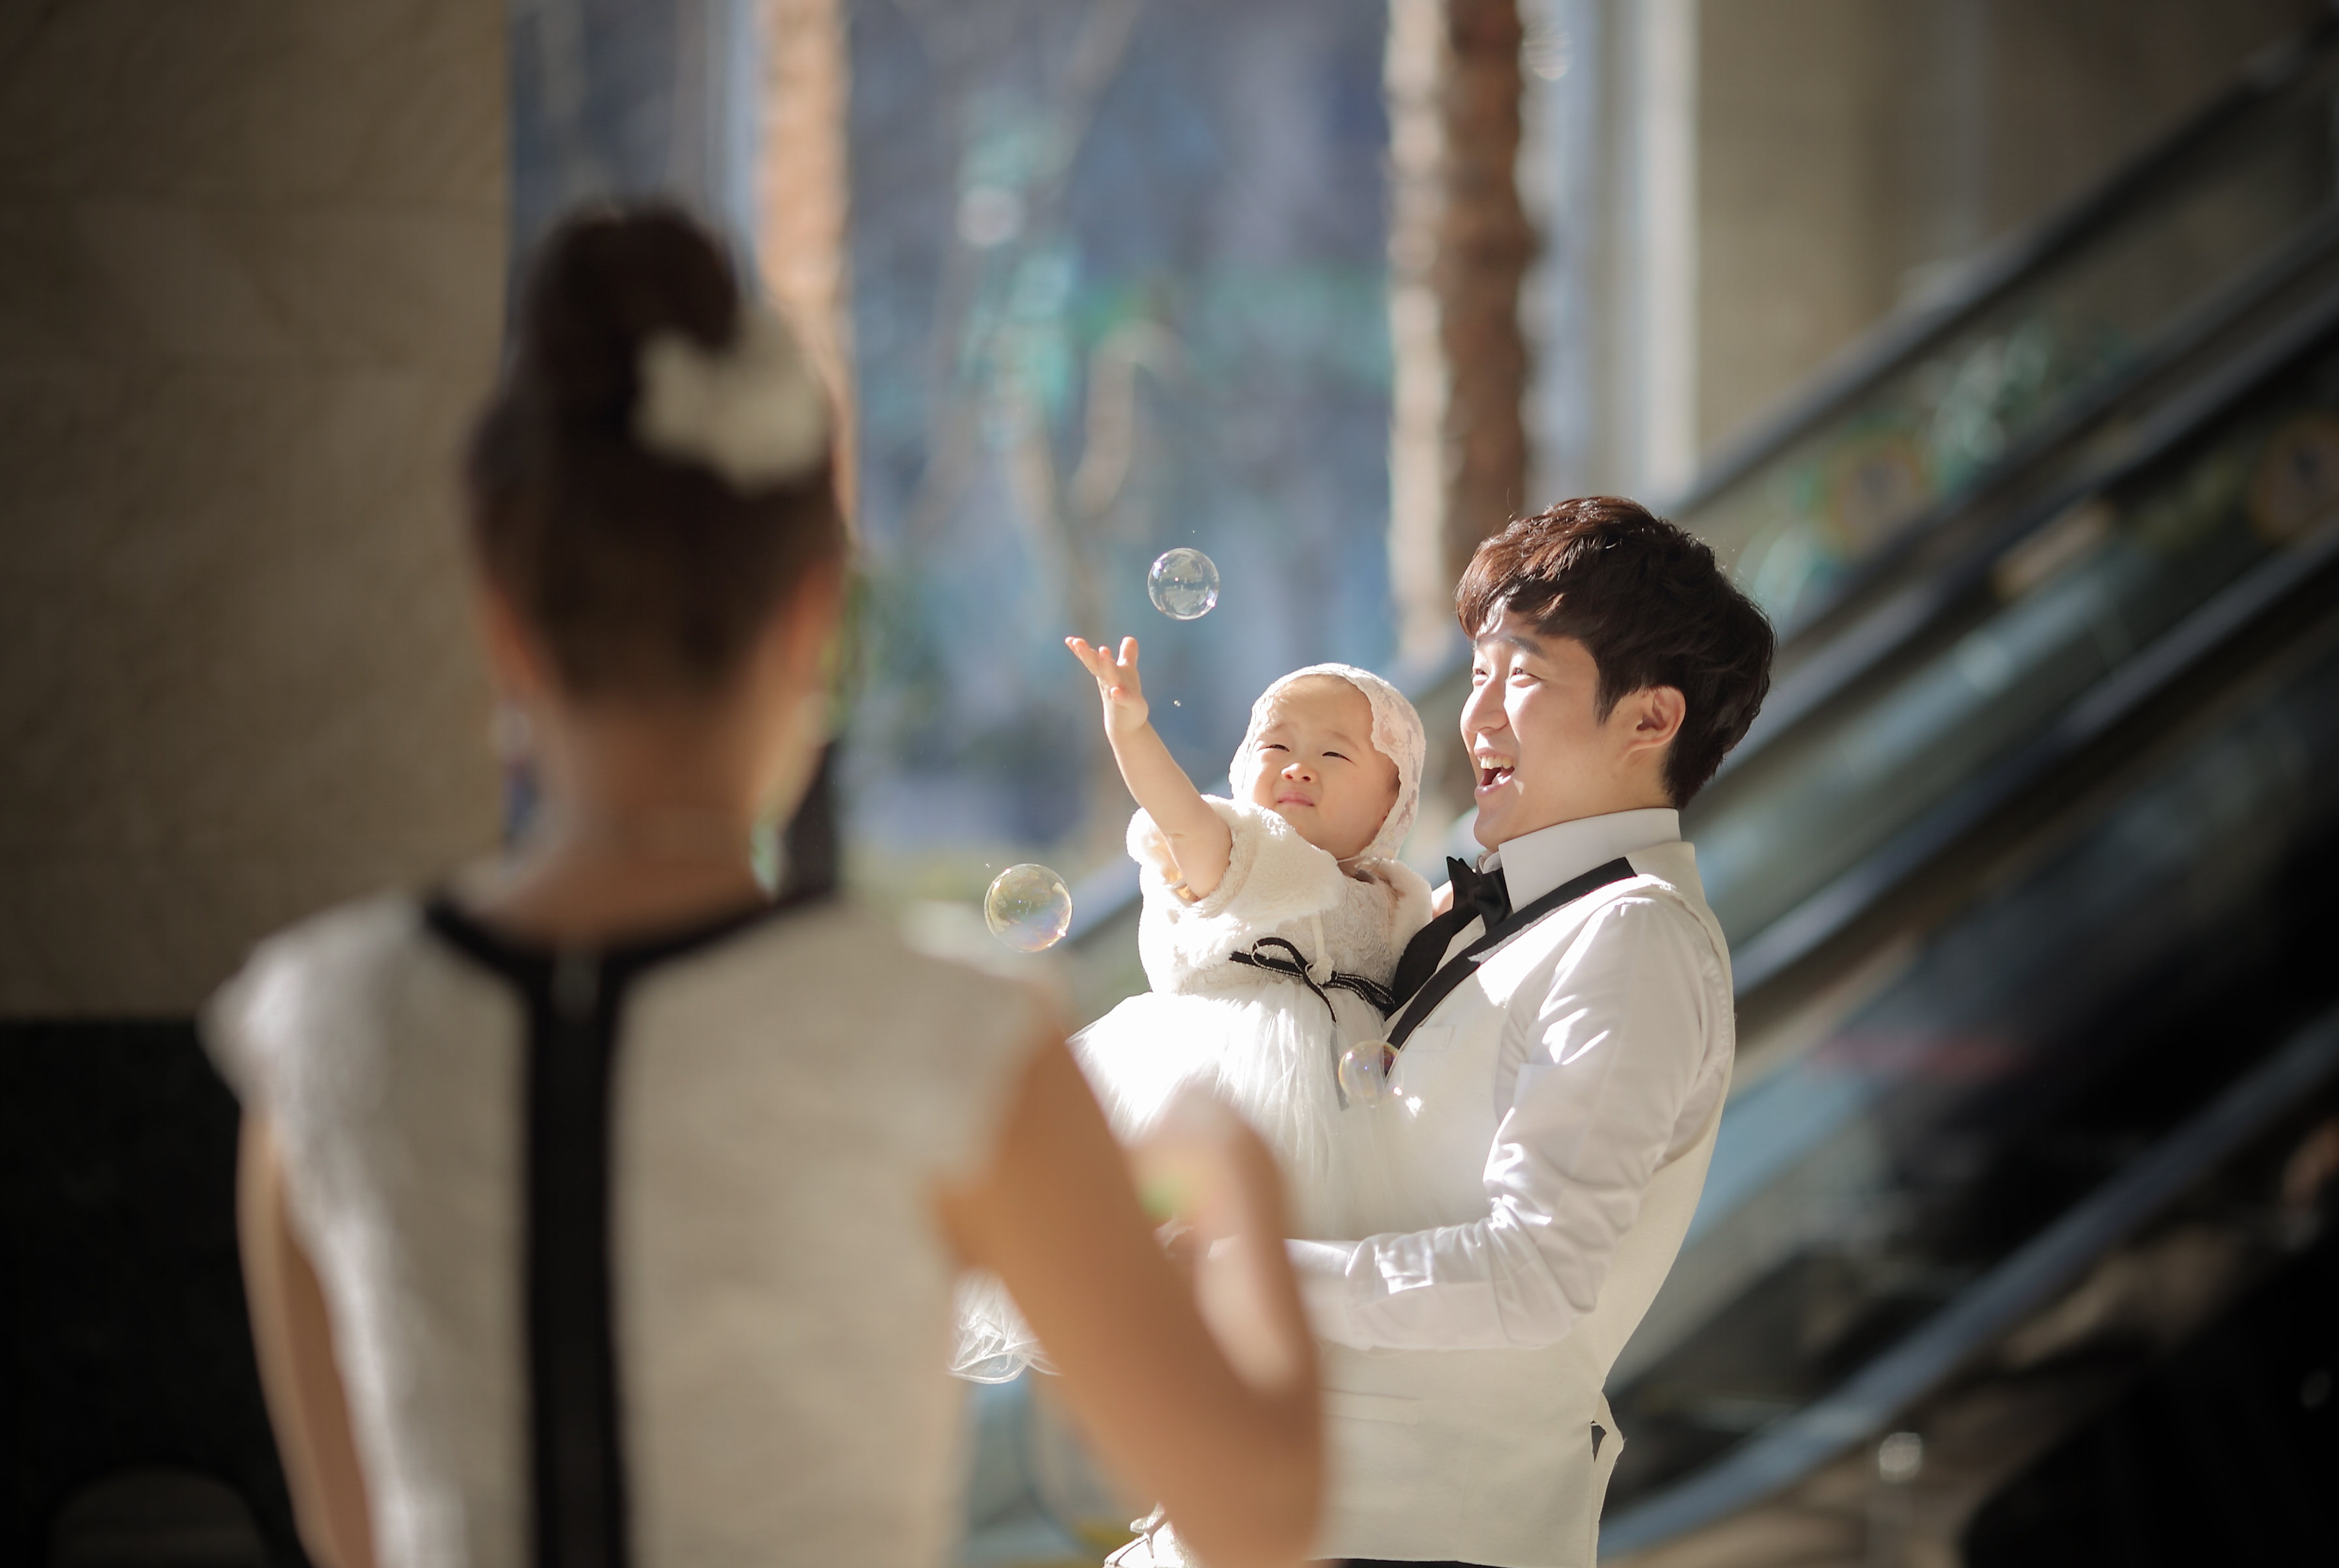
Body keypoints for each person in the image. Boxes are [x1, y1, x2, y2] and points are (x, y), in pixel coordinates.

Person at [204, 206, 1321, 1568]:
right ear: (809, 620)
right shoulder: (950, 1045)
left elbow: (358, 1538)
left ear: (499, 620)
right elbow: (1259, 1516)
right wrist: (1237, 1172)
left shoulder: (326, 1027)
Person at [1297, 498, 1774, 1568]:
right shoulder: (1490, 911)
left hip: (1413, 1536)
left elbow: (1532, 1272)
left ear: (1649, 719)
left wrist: (1255, 1277)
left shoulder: (1633, 936)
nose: (1476, 717)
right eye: (1476, 673)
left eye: (1520, 674)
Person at [956, 647, 1431, 1374]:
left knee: (1312, 1285)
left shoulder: (1399, 896)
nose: (1298, 767)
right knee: (1194, 1253)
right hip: (1230, 1083)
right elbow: (1181, 820)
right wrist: (1132, 731)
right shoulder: (1248, 852)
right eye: (1276, 747)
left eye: (1334, 754)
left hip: (1344, 1111)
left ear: (1393, 802)